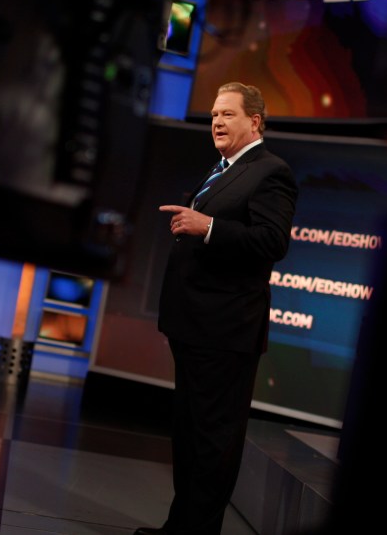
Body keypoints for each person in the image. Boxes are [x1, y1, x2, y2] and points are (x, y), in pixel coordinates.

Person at [137, 82, 298, 535]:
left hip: (226, 332)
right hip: (195, 327)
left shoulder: (271, 172)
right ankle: (180, 528)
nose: (217, 122)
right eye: (213, 115)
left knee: (213, 442)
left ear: (255, 121)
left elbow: (273, 242)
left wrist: (207, 226)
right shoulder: (224, 168)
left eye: (227, 114)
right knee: (190, 436)